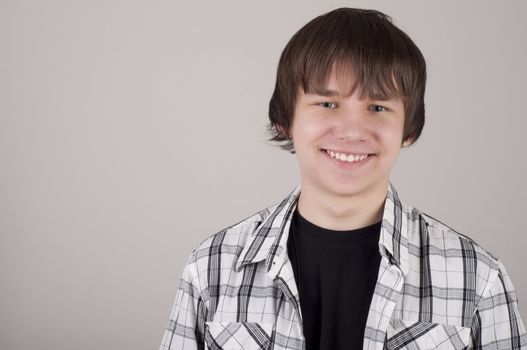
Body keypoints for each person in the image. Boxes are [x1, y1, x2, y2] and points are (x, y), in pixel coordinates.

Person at [159, 7, 526, 350]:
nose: (352, 131)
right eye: (327, 103)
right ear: (285, 119)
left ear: (409, 128)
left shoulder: (477, 276)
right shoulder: (212, 267)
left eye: (378, 107)